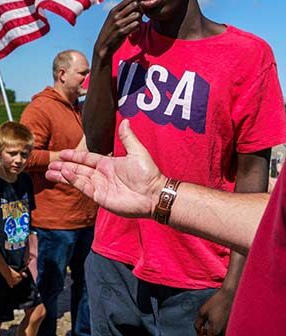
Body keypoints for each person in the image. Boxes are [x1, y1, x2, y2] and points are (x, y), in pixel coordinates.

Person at [81, 0, 286, 335]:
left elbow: (252, 178)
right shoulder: (123, 46)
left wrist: (233, 285)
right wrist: (101, 55)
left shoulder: (248, 56)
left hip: (198, 274)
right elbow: (99, 143)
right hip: (113, 262)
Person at [46, 119, 286, 335]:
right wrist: (156, 193)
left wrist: (232, 286)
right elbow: (275, 220)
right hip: (114, 265)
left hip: (196, 280)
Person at [20, 50, 96, 336]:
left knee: (88, 288)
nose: (88, 78)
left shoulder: (82, 109)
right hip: (54, 221)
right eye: (82, 73)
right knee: (49, 292)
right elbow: (24, 157)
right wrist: (66, 158)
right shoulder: (41, 109)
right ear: (62, 74)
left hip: (87, 219)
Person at [0, 122, 46, 336]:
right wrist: (5, 271)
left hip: (18, 264)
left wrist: (27, 257)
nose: (18, 160)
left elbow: (26, 222)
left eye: (24, 154)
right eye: (12, 153)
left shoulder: (25, 181)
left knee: (37, 312)